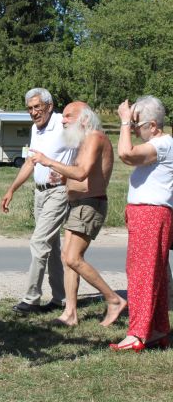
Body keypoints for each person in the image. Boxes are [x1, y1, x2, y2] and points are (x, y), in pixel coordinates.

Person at [29, 101, 126, 326]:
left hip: (90, 205)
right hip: (79, 204)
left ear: (83, 118)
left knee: (73, 258)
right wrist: (62, 177)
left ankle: (114, 300)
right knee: (67, 259)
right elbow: (81, 173)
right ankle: (70, 313)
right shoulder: (84, 140)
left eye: (68, 116)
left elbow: (82, 174)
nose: (62, 120)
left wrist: (48, 161)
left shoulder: (95, 137)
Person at [1, 88, 75, 314]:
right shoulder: (36, 129)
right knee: (51, 246)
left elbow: (84, 154)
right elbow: (30, 163)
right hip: (40, 193)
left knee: (39, 242)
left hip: (59, 192)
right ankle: (61, 297)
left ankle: (31, 299)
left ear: (49, 107)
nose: (33, 112)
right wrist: (12, 189)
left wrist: (68, 175)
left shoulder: (64, 125)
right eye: (30, 108)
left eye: (37, 107)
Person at [110, 96, 173, 351]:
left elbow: (126, 154)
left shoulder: (163, 143)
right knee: (153, 273)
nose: (134, 130)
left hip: (151, 215)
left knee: (141, 274)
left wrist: (124, 122)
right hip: (149, 214)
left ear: (154, 126)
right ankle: (157, 329)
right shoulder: (161, 143)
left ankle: (137, 333)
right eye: (133, 125)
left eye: (138, 125)